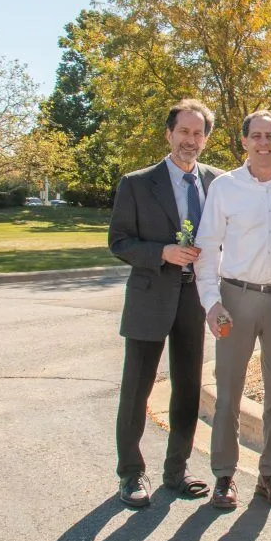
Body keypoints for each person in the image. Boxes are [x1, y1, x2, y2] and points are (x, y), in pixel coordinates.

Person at [109, 99, 222, 508]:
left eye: (198, 133)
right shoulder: (137, 183)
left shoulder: (217, 182)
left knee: (188, 388)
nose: (190, 140)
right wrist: (162, 252)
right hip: (149, 299)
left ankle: (176, 471)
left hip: (197, 299)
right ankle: (130, 473)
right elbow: (119, 242)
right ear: (169, 134)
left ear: (206, 139)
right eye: (184, 132)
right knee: (136, 389)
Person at [194, 110, 271, 510]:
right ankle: (224, 475)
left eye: (270, 136)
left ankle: (270, 474)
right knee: (228, 391)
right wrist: (211, 302)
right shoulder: (225, 187)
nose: (263, 143)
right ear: (244, 142)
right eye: (255, 136)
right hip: (234, 298)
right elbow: (206, 249)